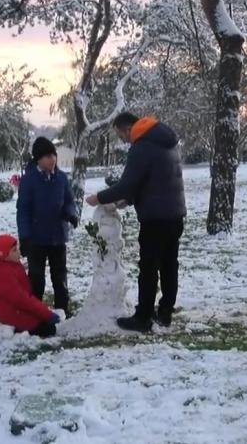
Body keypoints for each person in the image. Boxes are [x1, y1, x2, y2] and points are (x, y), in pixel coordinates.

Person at [86, 112, 186, 333]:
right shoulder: (165, 141)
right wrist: (128, 200)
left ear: (126, 128)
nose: (123, 140)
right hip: (175, 214)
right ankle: (165, 312)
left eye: (121, 135)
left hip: (155, 218)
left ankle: (142, 317)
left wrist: (98, 198)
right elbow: (152, 180)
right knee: (170, 264)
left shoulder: (142, 146)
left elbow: (127, 184)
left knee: (149, 267)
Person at [17, 137, 78, 317]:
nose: (52, 159)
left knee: (60, 276)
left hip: (58, 236)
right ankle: (34, 311)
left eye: (53, 155)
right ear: (38, 159)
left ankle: (62, 309)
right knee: (37, 279)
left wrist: (70, 213)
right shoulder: (29, 180)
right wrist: (25, 237)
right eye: (47, 156)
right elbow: (23, 210)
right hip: (37, 239)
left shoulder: (61, 178)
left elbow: (69, 200)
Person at [0, 234, 61, 337]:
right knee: (48, 329)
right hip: (12, 313)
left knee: (42, 319)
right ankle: (17, 329)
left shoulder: (8, 265)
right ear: (3, 255)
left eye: (17, 248)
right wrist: (47, 314)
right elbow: (22, 299)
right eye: (14, 250)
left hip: (13, 307)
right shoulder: (4, 275)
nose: (18, 252)